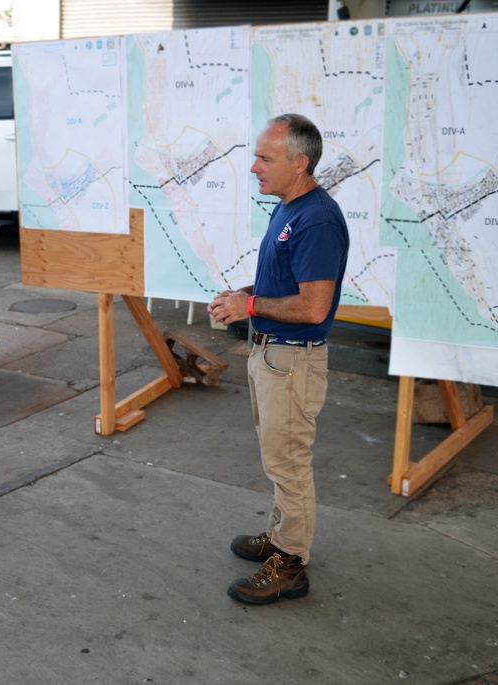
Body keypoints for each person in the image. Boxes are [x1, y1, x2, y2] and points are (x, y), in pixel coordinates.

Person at [208, 113, 349, 605]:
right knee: (278, 460)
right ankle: (280, 539)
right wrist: (244, 294)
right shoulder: (289, 207)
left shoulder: (317, 220)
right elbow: (284, 285)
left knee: (288, 464)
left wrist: (248, 306)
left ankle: (290, 565)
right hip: (272, 356)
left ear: (300, 162)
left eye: (265, 158)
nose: (254, 168)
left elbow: (312, 307)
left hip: (292, 361)